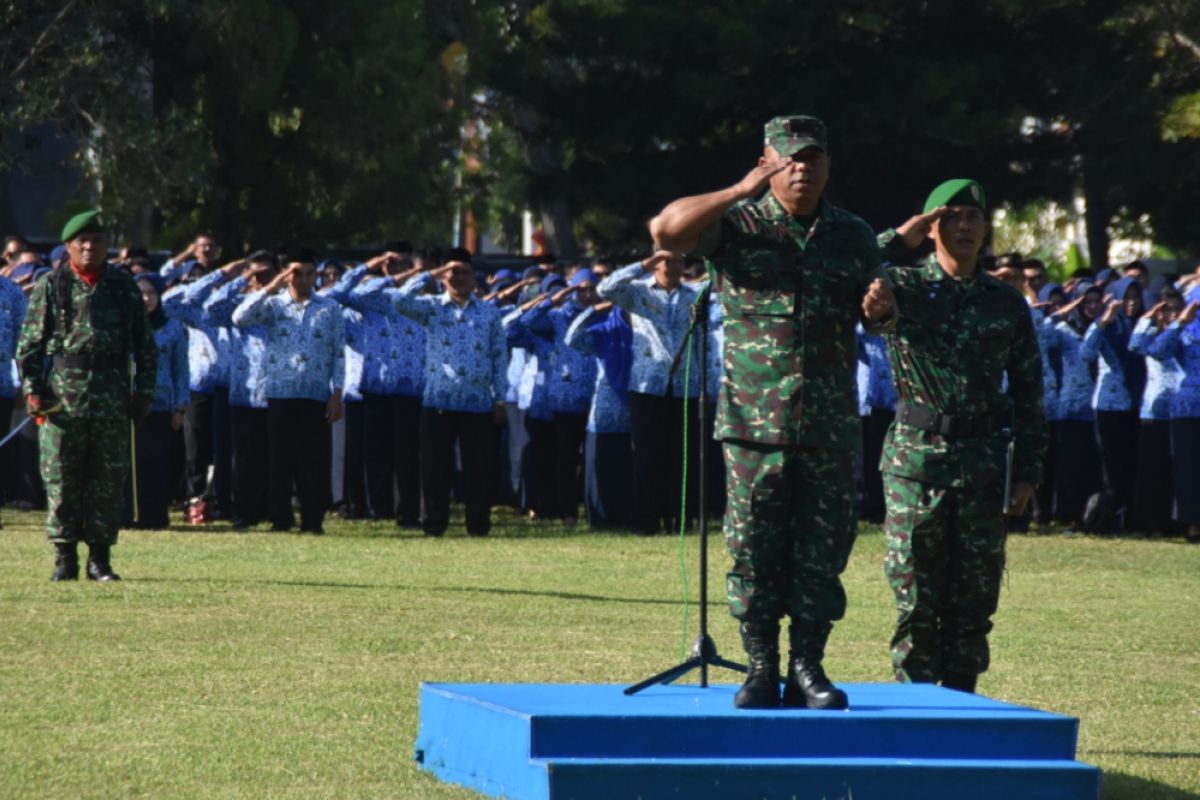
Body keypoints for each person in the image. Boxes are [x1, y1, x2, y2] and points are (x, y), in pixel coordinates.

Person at [648, 115, 896, 709]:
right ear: (769, 161)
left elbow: (878, 317)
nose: (802, 167)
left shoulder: (853, 234)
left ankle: (807, 668)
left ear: (828, 166)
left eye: (813, 157)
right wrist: (739, 189)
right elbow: (666, 228)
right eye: (790, 158)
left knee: (822, 554)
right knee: (754, 551)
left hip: (830, 426)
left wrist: (882, 310)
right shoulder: (736, 224)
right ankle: (760, 667)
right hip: (754, 425)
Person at [15, 210, 158, 580]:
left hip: (112, 398)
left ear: (107, 245)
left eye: (96, 241)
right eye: (82, 242)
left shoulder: (123, 286)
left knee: (107, 481)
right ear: (69, 246)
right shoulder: (52, 285)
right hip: (63, 401)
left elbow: (146, 347)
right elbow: (28, 348)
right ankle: (65, 559)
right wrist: (33, 393)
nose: (89, 247)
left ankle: (100, 559)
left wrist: (143, 392)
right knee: (61, 479)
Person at [384, 249, 507, 537]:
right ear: (443, 277)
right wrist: (431, 274)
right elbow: (398, 300)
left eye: (465, 272)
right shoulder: (432, 308)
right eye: (453, 273)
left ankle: (478, 525)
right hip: (438, 400)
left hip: (477, 403)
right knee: (434, 467)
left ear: (474, 277)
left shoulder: (489, 312)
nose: (459, 278)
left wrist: (500, 398)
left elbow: (499, 357)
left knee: (478, 470)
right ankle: (435, 523)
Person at [232, 247, 345, 534]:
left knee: (314, 460)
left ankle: (312, 521)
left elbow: (338, 352)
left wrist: (337, 393)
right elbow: (239, 317)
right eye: (297, 273)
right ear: (287, 274)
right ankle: (281, 519)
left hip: (316, 394)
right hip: (280, 393)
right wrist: (271, 286)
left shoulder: (329, 308)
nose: (304, 279)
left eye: (309, 273)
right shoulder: (273, 306)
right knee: (279, 460)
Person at [596, 251, 706, 536]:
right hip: (647, 385)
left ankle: (680, 518)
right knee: (647, 456)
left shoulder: (694, 294)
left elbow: (704, 340)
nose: (673, 266)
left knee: (682, 455)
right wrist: (642, 264)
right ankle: (647, 519)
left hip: (686, 386)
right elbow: (604, 288)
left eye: (680, 260)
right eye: (666, 260)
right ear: (656, 262)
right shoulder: (637, 292)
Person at [125, 274, 189, 528]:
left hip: (161, 403)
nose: (146, 299)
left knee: (157, 463)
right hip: (128, 404)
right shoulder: (124, 325)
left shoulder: (173, 327)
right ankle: (128, 515)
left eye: (151, 293)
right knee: (129, 464)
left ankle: (154, 516)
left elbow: (181, 370)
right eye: (141, 293)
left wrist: (180, 407)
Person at [1143, 287, 1200, 542]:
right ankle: (1193, 527)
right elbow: (1157, 351)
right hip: (1188, 409)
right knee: (1189, 469)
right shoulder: (1184, 330)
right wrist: (1180, 322)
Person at [1128, 288, 1185, 535]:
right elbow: (1135, 345)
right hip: (1154, 412)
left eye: (1176, 309)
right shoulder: (1152, 335)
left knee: (1179, 469)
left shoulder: (1187, 333)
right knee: (1154, 471)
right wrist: (1148, 317)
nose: (1172, 314)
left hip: (1183, 411)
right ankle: (1153, 522)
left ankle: (1179, 521)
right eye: (1167, 309)